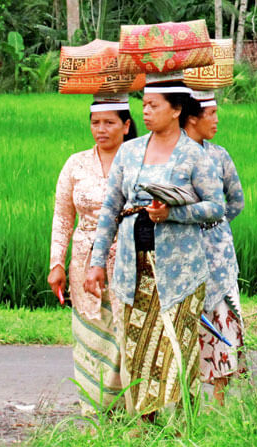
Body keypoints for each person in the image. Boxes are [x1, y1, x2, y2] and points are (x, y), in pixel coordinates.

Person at [84, 73, 225, 417]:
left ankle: (178, 424)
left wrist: (173, 213)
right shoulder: (130, 153)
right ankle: (145, 422)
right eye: (143, 105)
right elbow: (110, 210)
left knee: (176, 349)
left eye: (153, 105)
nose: (145, 112)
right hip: (136, 266)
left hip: (182, 270)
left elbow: (216, 207)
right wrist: (97, 261)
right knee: (138, 347)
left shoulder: (194, 155)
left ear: (176, 110)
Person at [48, 93, 137, 414]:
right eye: (95, 123)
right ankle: (97, 410)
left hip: (129, 258)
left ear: (126, 126)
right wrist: (56, 262)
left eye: (109, 123)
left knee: (127, 331)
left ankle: (131, 408)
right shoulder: (76, 164)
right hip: (84, 261)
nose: (101, 129)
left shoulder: (138, 162)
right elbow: (62, 217)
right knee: (91, 331)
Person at [185, 90, 247, 405]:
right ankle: (189, 402)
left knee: (222, 323)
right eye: (211, 114)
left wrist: (215, 225)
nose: (217, 120)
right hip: (182, 256)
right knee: (187, 328)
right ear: (192, 117)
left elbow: (236, 201)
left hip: (220, 259)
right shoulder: (172, 156)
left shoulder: (219, 155)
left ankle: (221, 401)